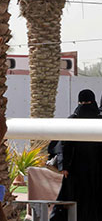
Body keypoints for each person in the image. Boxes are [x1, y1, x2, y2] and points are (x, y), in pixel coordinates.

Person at [48, 89, 102, 221]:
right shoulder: (98, 119)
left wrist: (64, 166)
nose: (84, 105)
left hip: (77, 170)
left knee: (74, 199)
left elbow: (63, 144)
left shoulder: (73, 119)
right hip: (94, 170)